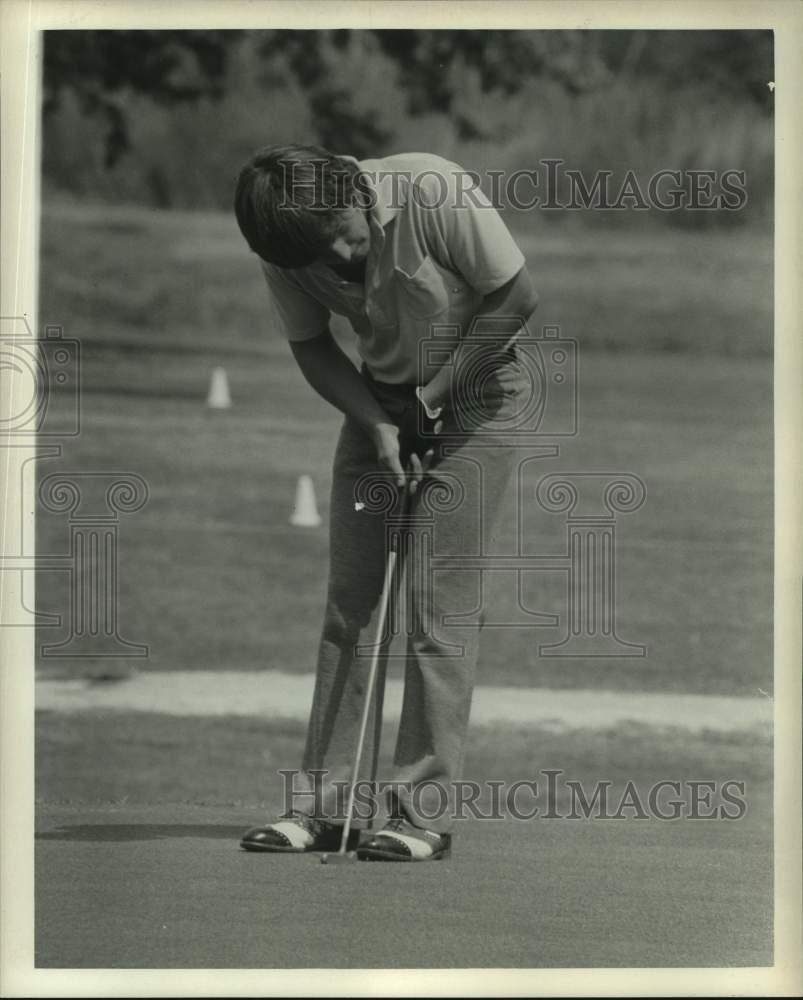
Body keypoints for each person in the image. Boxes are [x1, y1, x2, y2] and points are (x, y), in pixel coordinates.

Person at [234, 145, 538, 861]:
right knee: (351, 604)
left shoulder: (430, 189)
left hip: (477, 393)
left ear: (353, 189)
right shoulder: (286, 244)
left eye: (344, 229)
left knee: (438, 609)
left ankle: (418, 814)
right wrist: (375, 422)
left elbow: (515, 299)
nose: (342, 254)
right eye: (322, 251)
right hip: (377, 402)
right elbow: (312, 345)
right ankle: (323, 808)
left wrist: (431, 403)